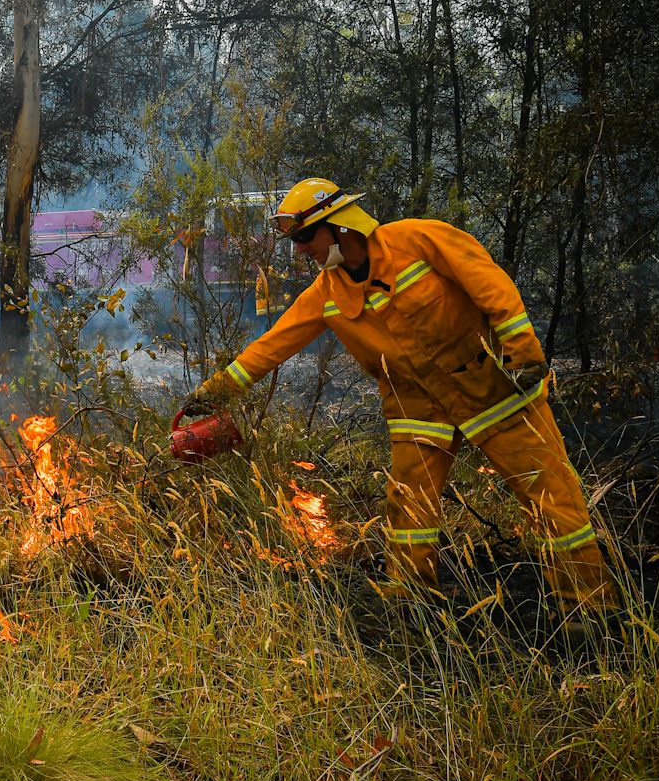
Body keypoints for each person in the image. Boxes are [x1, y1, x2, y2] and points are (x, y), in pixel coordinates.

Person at [181, 178, 615, 613]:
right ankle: (411, 603)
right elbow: (271, 346)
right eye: (295, 241)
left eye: (305, 237)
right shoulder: (326, 293)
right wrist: (214, 393)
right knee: (408, 508)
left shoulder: (419, 239)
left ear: (340, 225)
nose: (300, 250)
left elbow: (492, 287)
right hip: (417, 407)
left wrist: (524, 352)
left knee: (550, 497)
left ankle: (587, 607)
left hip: (493, 390)